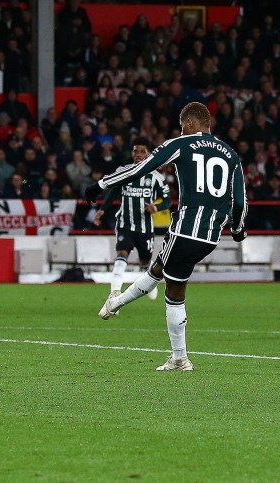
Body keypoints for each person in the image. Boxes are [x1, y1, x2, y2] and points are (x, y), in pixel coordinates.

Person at [85, 102, 247, 372]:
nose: (181, 130)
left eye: (183, 125)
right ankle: (115, 304)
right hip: (210, 236)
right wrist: (238, 230)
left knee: (173, 290)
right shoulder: (231, 155)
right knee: (160, 269)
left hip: (185, 228)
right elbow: (240, 201)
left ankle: (180, 358)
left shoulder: (181, 144)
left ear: (191, 123)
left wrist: (100, 185)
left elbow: (140, 168)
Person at [93, 137, 171, 300]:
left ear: (149, 154)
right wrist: (102, 210)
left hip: (145, 228)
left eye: (142, 151)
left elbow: (168, 200)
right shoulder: (123, 170)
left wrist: (155, 207)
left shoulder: (156, 176)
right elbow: (114, 191)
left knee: (145, 263)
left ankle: (149, 282)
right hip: (125, 224)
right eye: (136, 151)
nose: (138, 154)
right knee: (121, 255)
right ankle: (114, 293)